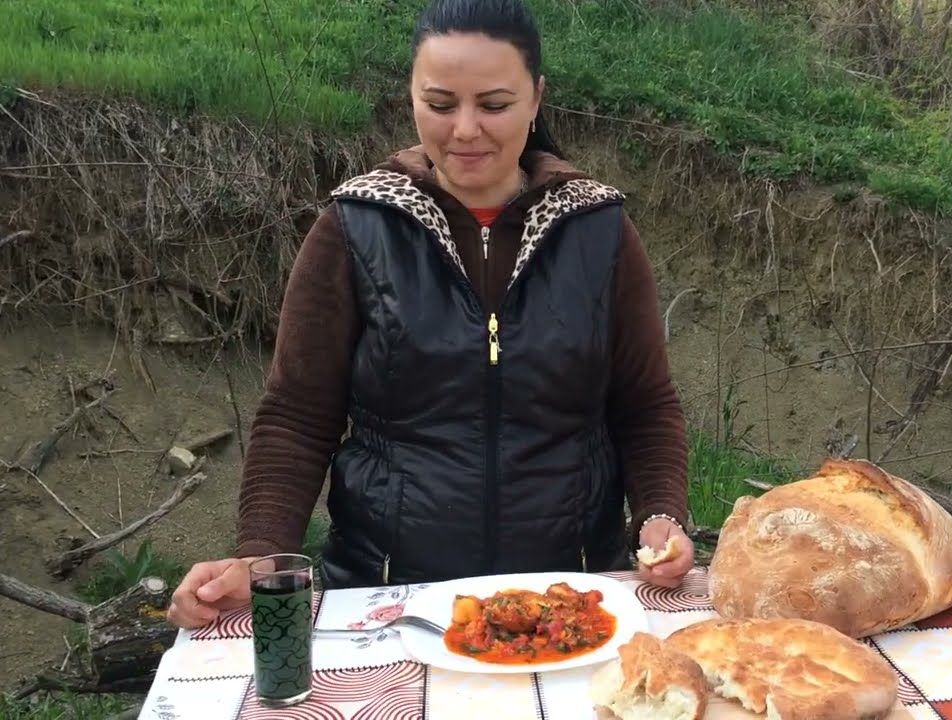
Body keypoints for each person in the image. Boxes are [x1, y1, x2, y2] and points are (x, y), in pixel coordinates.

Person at [167, 0, 694, 629]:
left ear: (536, 99)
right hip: (390, 599)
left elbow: (645, 404)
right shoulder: (356, 226)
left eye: (494, 104)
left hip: (572, 597)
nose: (465, 130)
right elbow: (297, 417)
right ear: (411, 97)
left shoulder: (599, 229)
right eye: (440, 104)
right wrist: (258, 554)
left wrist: (661, 513)